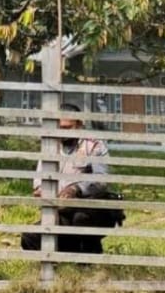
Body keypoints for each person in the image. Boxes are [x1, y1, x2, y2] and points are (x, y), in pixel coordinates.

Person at [21, 103, 125, 254]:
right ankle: (65, 258)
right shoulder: (50, 145)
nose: (62, 133)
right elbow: (39, 178)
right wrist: (41, 190)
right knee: (29, 238)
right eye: (59, 128)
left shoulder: (94, 144)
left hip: (91, 211)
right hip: (61, 211)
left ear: (80, 125)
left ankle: (89, 255)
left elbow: (101, 180)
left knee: (80, 219)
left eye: (67, 128)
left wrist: (76, 189)